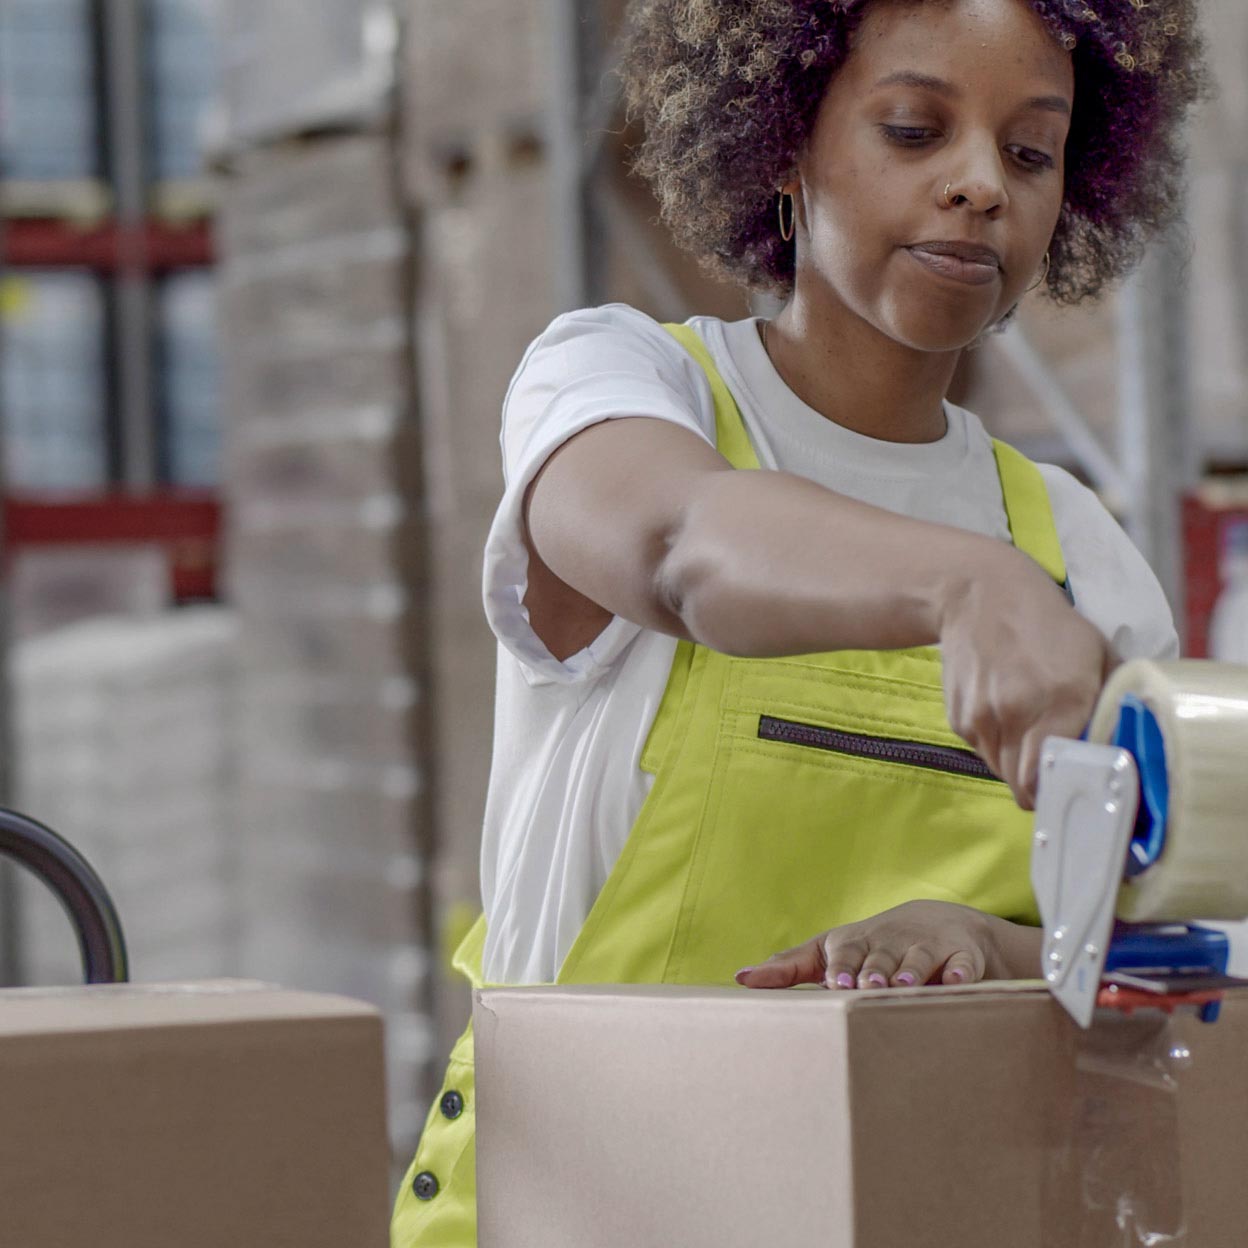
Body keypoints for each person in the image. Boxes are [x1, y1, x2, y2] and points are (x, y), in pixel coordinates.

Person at [392, 0, 1205, 1242]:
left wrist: (985, 944)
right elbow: (679, 546)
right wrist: (963, 587)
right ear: (780, 143)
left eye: (1031, 152)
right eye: (914, 128)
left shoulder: (1079, 553)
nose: (980, 186)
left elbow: (1157, 959)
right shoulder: (623, 386)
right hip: (576, 1210)